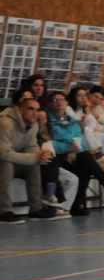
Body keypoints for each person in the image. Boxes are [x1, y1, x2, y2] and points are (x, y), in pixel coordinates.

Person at [45, 91, 104, 215]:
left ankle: (78, 204)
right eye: (55, 100)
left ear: (66, 102)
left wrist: (74, 149)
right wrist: (70, 148)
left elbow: (78, 135)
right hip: (57, 155)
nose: (59, 102)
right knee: (85, 159)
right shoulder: (48, 118)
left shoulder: (71, 117)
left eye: (62, 99)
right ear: (50, 104)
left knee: (85, 165)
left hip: (73, 152)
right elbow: (56, 137)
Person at [0, 94, 68, 222]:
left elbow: (31, 146)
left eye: (37, 110)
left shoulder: (34, 125)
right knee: (6, 164)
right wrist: (34, 157)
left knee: (34, 165)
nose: (35, 113)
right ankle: (4, 211)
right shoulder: (5, 123)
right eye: (30, 109)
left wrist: (41, 155)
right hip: (3, 160)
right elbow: (4, 154)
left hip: (14, 160)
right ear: (20, 109)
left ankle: (36, 208)